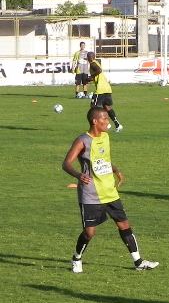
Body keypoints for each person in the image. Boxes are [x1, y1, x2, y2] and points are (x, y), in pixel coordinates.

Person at [62, 107, 159, 273]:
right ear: (95, 121)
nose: (108, 122)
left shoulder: (106, 137)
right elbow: (66, 163)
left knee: (124, 225)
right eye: (104, 119)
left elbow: (104, 160)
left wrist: (116, 170)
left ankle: (138, 262)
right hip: (91, 194)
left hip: (110, 191)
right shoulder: (82, 140)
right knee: (89, 232)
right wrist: (79, 175)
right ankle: (76, 258)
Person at [86, 52, 123, 132]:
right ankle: (117, 125)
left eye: (88, 57)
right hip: (107, 88)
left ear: (90, 58)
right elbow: (98, 74)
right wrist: (90, 79)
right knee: (107, 107)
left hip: (101, 89)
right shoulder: (97, 63)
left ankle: (107, 124)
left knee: (93, 108)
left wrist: (91, 77)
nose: (88, 59)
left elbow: (99, 71)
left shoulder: (92, 64)